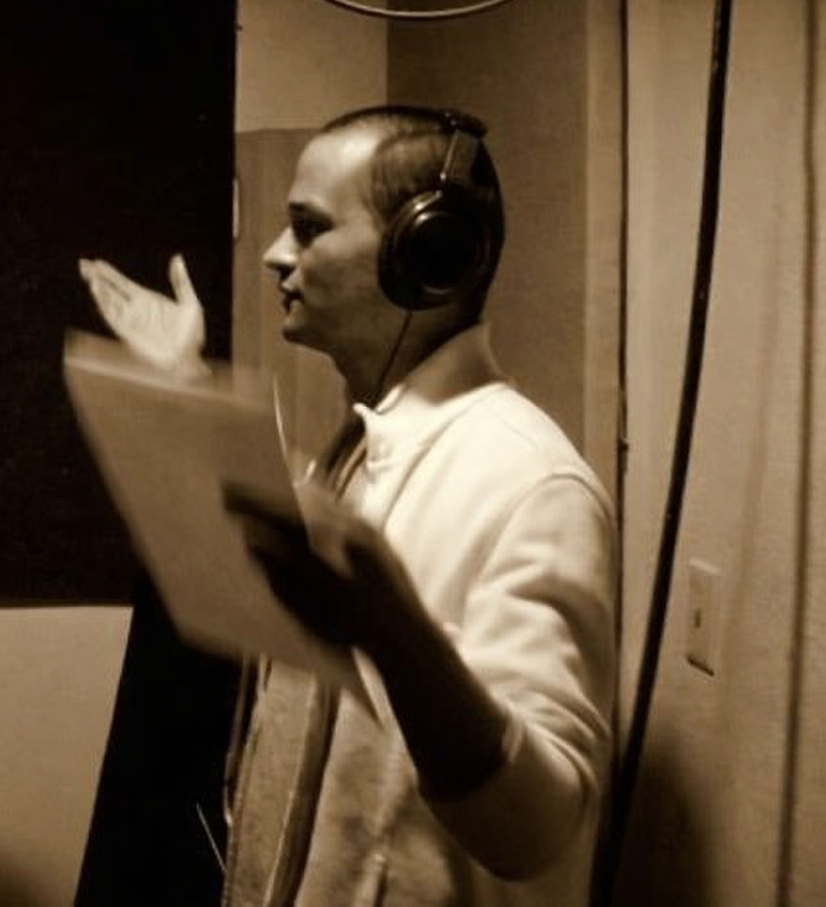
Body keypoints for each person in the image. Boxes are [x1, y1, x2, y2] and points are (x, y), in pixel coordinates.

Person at [82, 105, 616, 906]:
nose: (275, 253)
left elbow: (536, 829)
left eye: (308, 228)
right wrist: (184, 378)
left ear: (426, 255)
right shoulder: (363, 445)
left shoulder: (532, 482)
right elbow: (278, 557)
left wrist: (393, 629)